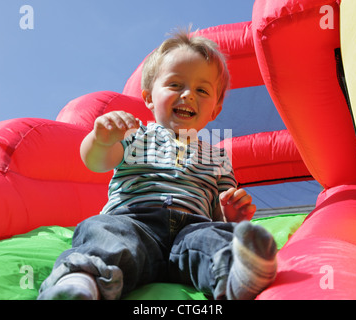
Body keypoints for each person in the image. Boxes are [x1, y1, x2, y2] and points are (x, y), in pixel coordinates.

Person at [38, 30, 277, 300]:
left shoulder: (217, 157)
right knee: (104, 233)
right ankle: (81, 282)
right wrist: (101, 140)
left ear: (215, 110)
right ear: (149, 97)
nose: (188, 95)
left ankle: (236, 273)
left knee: (215, 238)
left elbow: (217, 212)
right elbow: (95, 161)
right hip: (134, 220)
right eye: (175, 85)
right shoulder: (135, 134)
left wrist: (229, 212)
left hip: (192, 228)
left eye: (201, 90)